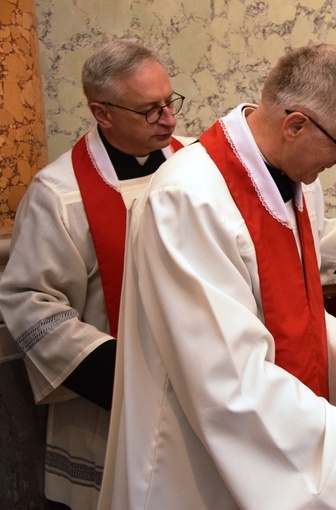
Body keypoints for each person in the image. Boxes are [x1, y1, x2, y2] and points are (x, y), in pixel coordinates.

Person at [98, 44, 336, 509]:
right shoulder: (188, 199)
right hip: (194, 462)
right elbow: (225, 373)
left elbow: (286, 290)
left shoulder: (295, 178)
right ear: (296, 125)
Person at [0, 40, 194, 510]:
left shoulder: (195, 166)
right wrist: (122, 373)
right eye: (150, 110)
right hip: (108, 403)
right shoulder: (59, 194)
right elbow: (29, 301)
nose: (169, 120)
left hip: (194, 389)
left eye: (170, 102)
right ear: (101, 113)